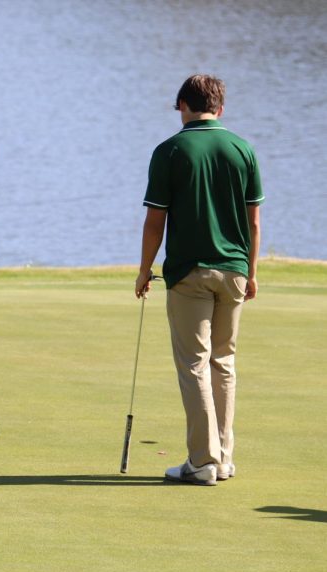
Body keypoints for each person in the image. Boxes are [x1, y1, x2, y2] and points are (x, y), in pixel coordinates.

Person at [135, 74, 264, 486]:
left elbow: (156, 221)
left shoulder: (170, 150)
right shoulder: (243, 148)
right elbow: (254, 222)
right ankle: (223, 459)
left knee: (194, 365)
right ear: (220, 109)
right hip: (235, 272)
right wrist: (252, 272)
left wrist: (144, 269)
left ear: (181, 106)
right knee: (223, 363)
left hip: (191, 272)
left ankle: (203, 462)